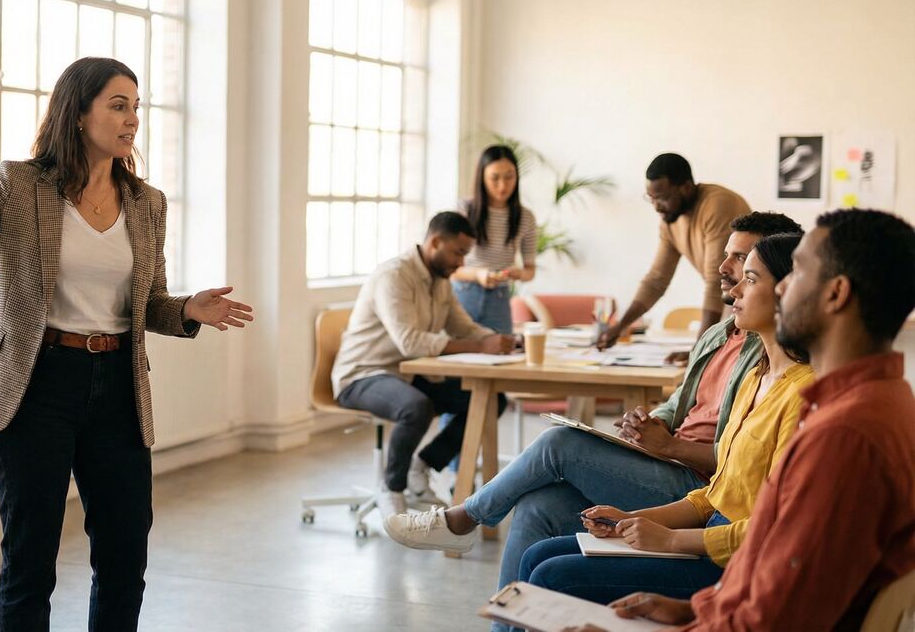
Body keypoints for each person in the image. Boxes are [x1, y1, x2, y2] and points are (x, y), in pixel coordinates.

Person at [0, 57, 253, 632]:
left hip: (118, 386)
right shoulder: (20, 185)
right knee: (30, 561)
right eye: (118, 106)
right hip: (34, 384)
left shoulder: (148, 204)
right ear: (77, 114)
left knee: (125, 556)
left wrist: (188, 310)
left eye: (136, 108)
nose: (132, 121)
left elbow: (150, 303)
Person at [382, 213, 801, 608]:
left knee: (558, 444)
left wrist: (669, 450)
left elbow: (740, 487)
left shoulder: (778, 370)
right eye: (728, 256)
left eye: (744, 265)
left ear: (782, 289)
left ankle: (462, 519)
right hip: (681, 478)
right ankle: (506, 622)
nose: (724, 268)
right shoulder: (727, 343)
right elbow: (684, 409)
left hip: (689, 481)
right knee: (536, 507)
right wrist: (650, 424)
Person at [562, 209, 915, 632]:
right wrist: (695, 610)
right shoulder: (866, 402)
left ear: (835, 294)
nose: (781, 287)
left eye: (797, 271)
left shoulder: (844, 434)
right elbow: (767, 565)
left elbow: (774, 618)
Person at [513, 233, 811, 605]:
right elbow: (714, 497)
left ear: (787, 292)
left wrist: (671, 539)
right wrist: (630, 519)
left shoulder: (803, 396)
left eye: (750, 280)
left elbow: (779, 529)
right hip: (707, 536)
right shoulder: (755, 378)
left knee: (551, 573)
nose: (734, 291)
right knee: (536, 556)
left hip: (736, 563)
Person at [332, 211, 516, 516]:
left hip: (408, 374)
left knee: (489, 400)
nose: (461, 262)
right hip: (362, 375)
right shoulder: (393, 276)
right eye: (458, 252)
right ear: (434, 242)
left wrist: (499, 340)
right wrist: (480, 345)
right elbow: (410, 342)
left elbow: (463, 326)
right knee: (414, 407)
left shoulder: (440, 280)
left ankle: (422, 466)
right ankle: (392, 488)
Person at [596, 153, 750, 357]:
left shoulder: (718, 204)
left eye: (663, 198)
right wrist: (621, 325)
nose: (656, 206)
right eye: (651, 199)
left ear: (685, 188)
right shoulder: (670, 221)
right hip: (729, 299)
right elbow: (656, 280)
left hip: (749, 299)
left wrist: (698, 350)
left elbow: (716, 278)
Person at [452, 144, 538, 332]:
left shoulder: (525, 218)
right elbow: (450, 269)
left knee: (501, 355)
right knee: (456, 356)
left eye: (509, 177)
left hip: (499, 298)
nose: (503, 185)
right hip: (462, 295)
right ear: (482, 177)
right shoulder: (464, 210)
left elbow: (530, 270)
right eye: (495, 178)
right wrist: (478, 274)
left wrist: (519, 274)